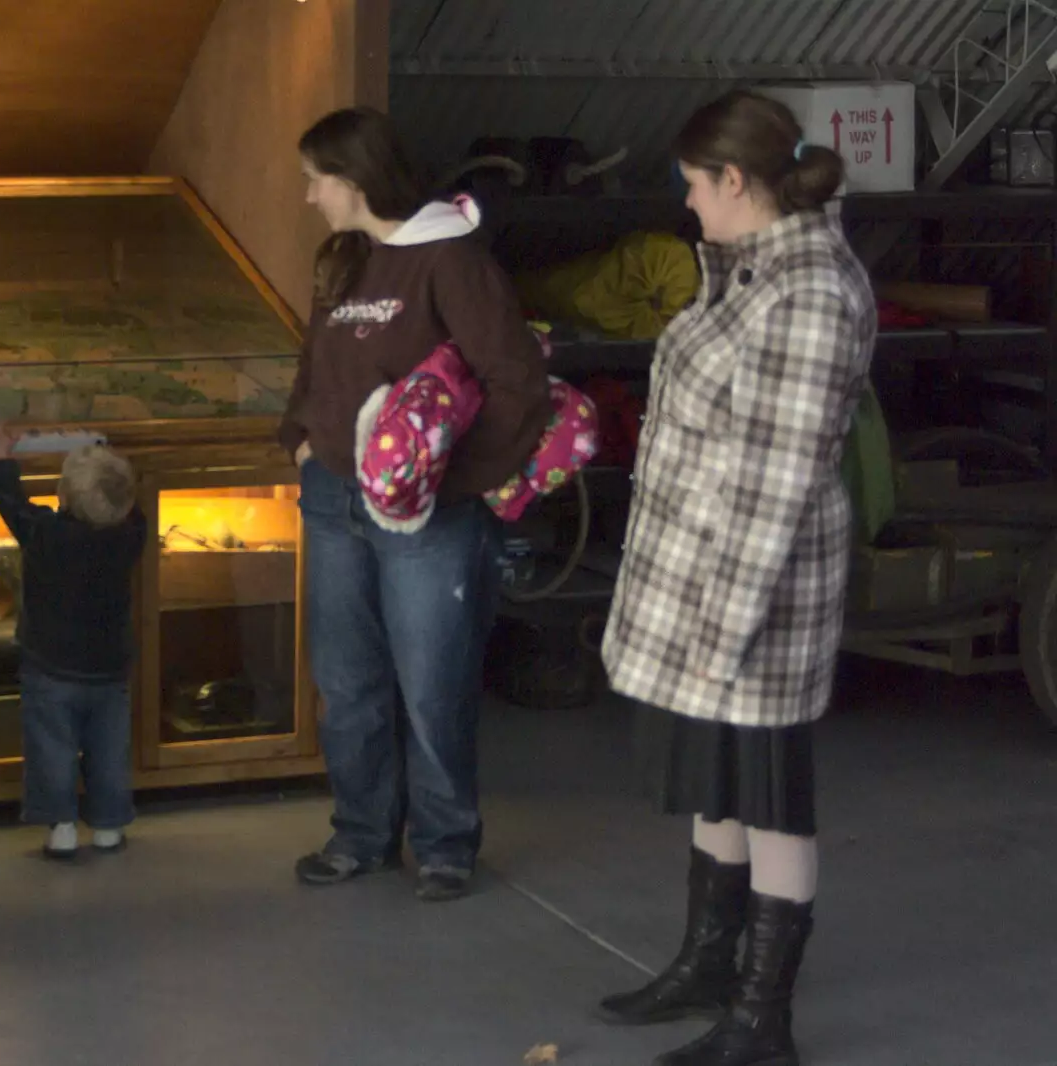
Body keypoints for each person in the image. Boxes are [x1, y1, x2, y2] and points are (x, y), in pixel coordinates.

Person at [595, 90, 876, 1066]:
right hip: (710, 588)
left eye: (690, 187)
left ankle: (763, 1020)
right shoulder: (750, 272)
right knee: (719, 787)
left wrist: (720, 633)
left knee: (771, 802)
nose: (685, 207)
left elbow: (772, 487)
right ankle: (707, 966)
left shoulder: (806, 295)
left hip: (756, 599)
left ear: (733, 182)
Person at [281, 107, 552, 902]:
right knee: (347, 679)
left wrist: (457, 481)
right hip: (335, 498)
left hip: (428, 516)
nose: (308, 196)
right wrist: (299, 442)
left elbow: (516, 383)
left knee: (433, 681)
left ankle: (444, 844)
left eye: (315, 179)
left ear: (355, 179)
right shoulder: (347, 260)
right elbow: (315, 369)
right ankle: (360, 834)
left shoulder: (453, 262)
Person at [0, 425, 147, 860]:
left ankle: (61, 828)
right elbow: (132, 508)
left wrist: (1, 456)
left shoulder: (48, 535)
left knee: (52, 750)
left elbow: (11, 503)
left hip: (50, 667)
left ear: (64, 498)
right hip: (110, 669)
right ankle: (109, 826)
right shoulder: (130, 536)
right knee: (109, 750)